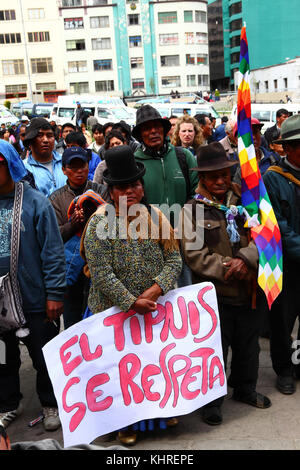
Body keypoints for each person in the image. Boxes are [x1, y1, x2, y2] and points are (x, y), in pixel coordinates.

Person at [81, 145, 182, 445]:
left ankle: (158, 414)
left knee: (150, 366)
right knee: (119, 372)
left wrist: (154, 290)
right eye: (123, 187)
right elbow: (101, 273)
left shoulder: (157, 217)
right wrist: (130, 301)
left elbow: (174, 260)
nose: (131, 191)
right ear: (112, 192)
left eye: (135, 184)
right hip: (113, 313)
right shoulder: (99, 223)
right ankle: (125, 423)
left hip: (151, 308)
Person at [180, 142, 271, 426]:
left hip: (248, 289)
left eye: (223, 174)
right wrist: (230, 268)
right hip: (215, 295)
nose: (220, 180)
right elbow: (194, 255)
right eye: (213, 176)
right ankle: (211, 402)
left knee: (249, 346)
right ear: (203, 179)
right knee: (214, 350)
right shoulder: (191, 210)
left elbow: (266, 233)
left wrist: (247, 259)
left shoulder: (246, 202)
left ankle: (245, 388)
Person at [0, 139, 66, 432]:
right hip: (0, 302)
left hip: (34, 297)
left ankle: (50, 401)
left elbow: (52, 251)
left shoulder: (35, 201)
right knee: (3, 356)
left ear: (10, 163)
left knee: (43, 355)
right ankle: (9, 402)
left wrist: (54, 293)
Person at [132, 105, 198, 288]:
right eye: (146, 128)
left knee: (186, 293)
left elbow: (197, 194)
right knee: (157, 297)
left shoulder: (184, 156)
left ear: (164, 130)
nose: (153, 131)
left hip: (185, 239)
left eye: (157, 126)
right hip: (150, 242)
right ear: (140, 135)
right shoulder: (134, 163)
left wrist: (183, 224)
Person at [49, 146, 108, 329]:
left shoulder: (100, 191)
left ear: (88, 165)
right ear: (64, 169)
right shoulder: (56, 198)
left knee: (98, 321)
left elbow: (113, 222)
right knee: (73, 322)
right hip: (70, 269)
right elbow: (53, 236)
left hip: (99, 266)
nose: (79, 171)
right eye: (73, 167)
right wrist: (72, 225)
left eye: (82, 165)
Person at [263, 114, 300, 394]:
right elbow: (278, 226)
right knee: (282, 322)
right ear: (286, 148)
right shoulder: (272, 179)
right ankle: (284, 371)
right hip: (284, 265)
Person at [23, 118, 67, 197]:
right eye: (40, 136)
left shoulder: (66, 161)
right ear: (30, 140)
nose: (45, 140)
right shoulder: (23, 168)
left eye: (49, 136)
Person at [233, 118, 280, 184]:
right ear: (236, 140)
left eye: (255, 132)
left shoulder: (273, 158)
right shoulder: (231, 162)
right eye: (247, 134)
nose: (253, 137)